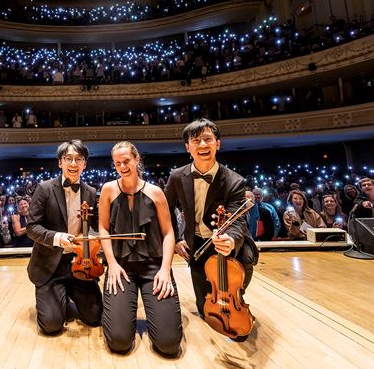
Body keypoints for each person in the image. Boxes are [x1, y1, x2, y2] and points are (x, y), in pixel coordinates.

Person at [164, 119, 258, 341]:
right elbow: (165, 210)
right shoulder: (177, 176)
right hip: (197, 245)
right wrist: (176, 238)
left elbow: (238, 220)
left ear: (218, 144)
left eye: (208, 139)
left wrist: (231, 240)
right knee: (205, 310)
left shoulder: (234, 181)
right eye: (196, 141)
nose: (202, 145)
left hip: (228, 247)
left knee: (239, 271)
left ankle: (237, 300)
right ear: (188, 147)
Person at [98, 141, 182, 356]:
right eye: (118, 163)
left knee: (169, 344)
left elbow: (169, 233)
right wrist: (112, 265)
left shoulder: (155, 192)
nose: (123, 166)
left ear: (137, 160)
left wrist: (165, 269)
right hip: (122, 268)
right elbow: (103, 229)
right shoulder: (108, 190)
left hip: (154, 268)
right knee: (119, 342)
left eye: (126, 161)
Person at [26, 140, 103, 335]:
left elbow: (96, 227)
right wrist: (57, 237)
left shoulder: (91, 192)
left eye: (79, 159)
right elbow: (32, 227)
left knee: (95, 318)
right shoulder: (44, 189)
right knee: (51, 325)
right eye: (68, 159)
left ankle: (70, 294)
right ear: (60, 162)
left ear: (85, 164)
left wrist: (93, 239)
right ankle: (56, 298)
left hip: (80, 263)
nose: (73, 164)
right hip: (51, 266)